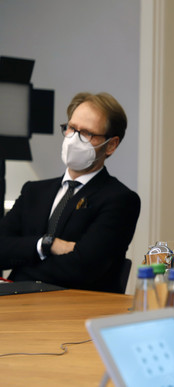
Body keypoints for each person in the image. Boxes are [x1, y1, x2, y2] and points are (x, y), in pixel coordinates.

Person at [0, 92, 140, 292]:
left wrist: (23, 264)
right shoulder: (34, 191)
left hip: (75, 311)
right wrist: (46, 244)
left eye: (86, 134)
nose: (74, 139)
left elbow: (83, 268)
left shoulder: (120, 199)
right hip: (19, 304)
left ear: (111, 145)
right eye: (72, 128)